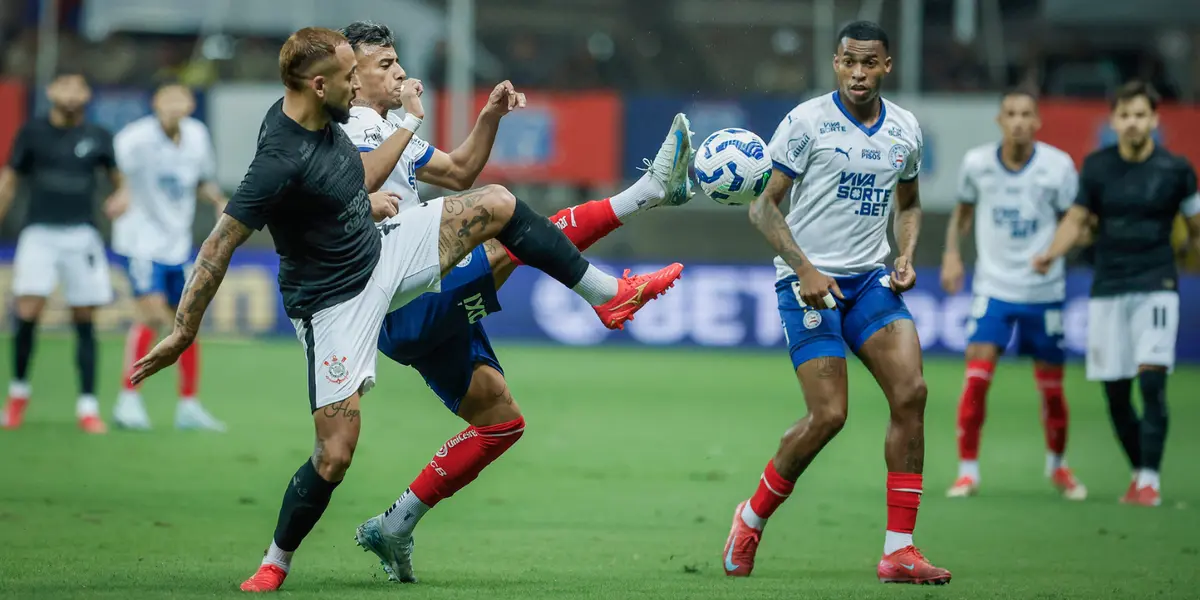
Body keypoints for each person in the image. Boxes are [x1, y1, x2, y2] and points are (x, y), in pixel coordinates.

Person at [127, 27, 683, 593]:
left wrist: (369, 186)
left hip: (385, 251)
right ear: (319, 85)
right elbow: (219, 244)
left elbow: (376, 175)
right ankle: (276, 560)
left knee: (496, 207)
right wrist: (182, 331)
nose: (363, 83)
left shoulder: (340, 118)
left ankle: (608, 292)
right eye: (355, 73)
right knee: (334, 455)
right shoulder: (281, 156)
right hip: (333, 300)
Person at [336, 18, 696, 583]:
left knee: (500, 422)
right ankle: (640, 208)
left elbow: (459, 171)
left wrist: (488, 118)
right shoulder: (354, 127)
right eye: (385, 64)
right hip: (402, 301)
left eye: (397, 59)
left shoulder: (386, 128)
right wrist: (407, 122)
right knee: (512, 238)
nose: (400, 71)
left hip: (426, 291)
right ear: (351, 78)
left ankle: (395, 525)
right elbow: (354, 183)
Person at [721, 21, 950, 584]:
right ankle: (751, 518)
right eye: (849, 61)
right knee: (829, 416)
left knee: (912, 393)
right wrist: (805, 268)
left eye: (869, 63)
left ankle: (899, 551)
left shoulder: (905, 129)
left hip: (869, 281)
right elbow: (763, 208)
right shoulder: (806, 123)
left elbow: (910, 202)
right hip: (806, 284)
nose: (858, 73)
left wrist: (906, 253)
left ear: (886, 66)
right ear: (835, 63)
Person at [1034, 80, 1200, 508]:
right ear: (1114, 120)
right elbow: (1077, 218)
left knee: (1152, 382)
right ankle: (1139, 472)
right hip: (1108, 287)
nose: (1132, 123)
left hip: (1157, 286)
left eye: (1140, 115)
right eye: (1125, 115)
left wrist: (1190, 251)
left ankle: (1150, 480)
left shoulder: (1177, 170)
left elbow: (1196, 225)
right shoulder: (1097, 167)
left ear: (1154, 120)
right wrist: (1051, 253)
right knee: (1115, 392)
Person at [940, 89, 1086, 500]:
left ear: (1037, 121)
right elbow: (962, 213)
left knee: (1052, 390)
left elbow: (1075, 220)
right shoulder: (977, 164)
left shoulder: (1058, 166)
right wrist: (951, 255)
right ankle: (967, 471)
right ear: (999, 121)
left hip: (1044, 289)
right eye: (1011, 114)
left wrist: (1055, 251)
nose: (1018, 121)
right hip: (994, 289)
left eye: (1026, 114)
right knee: (976, 379)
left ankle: (1058, 465)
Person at [0, 72, 119, 434]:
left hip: (82, 235)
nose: (71, 94)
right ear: (51, 92)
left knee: (85, 317)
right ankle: (18, 394)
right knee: (27, 311)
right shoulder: (31, 132)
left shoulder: (98, 136)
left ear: (86, 95)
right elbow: (10, 179)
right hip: (39, 234)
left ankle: (88, 406)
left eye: (78, 87)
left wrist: (122, 197)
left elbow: (119, 180)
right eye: (64, 86)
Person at [108, 83, 227, 432]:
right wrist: (121, 191)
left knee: (186, 324)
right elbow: (113, 168)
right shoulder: (135, 138)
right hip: (141, 242)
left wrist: (218, 200)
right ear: (155, 103)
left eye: (181, 99)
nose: (175, 105)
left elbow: (200, 180)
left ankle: (188, 406)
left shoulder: (197, 136)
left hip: (176, 245)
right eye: (168, 99)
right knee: (150, 316)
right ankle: (127, 400)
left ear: (190, 104)